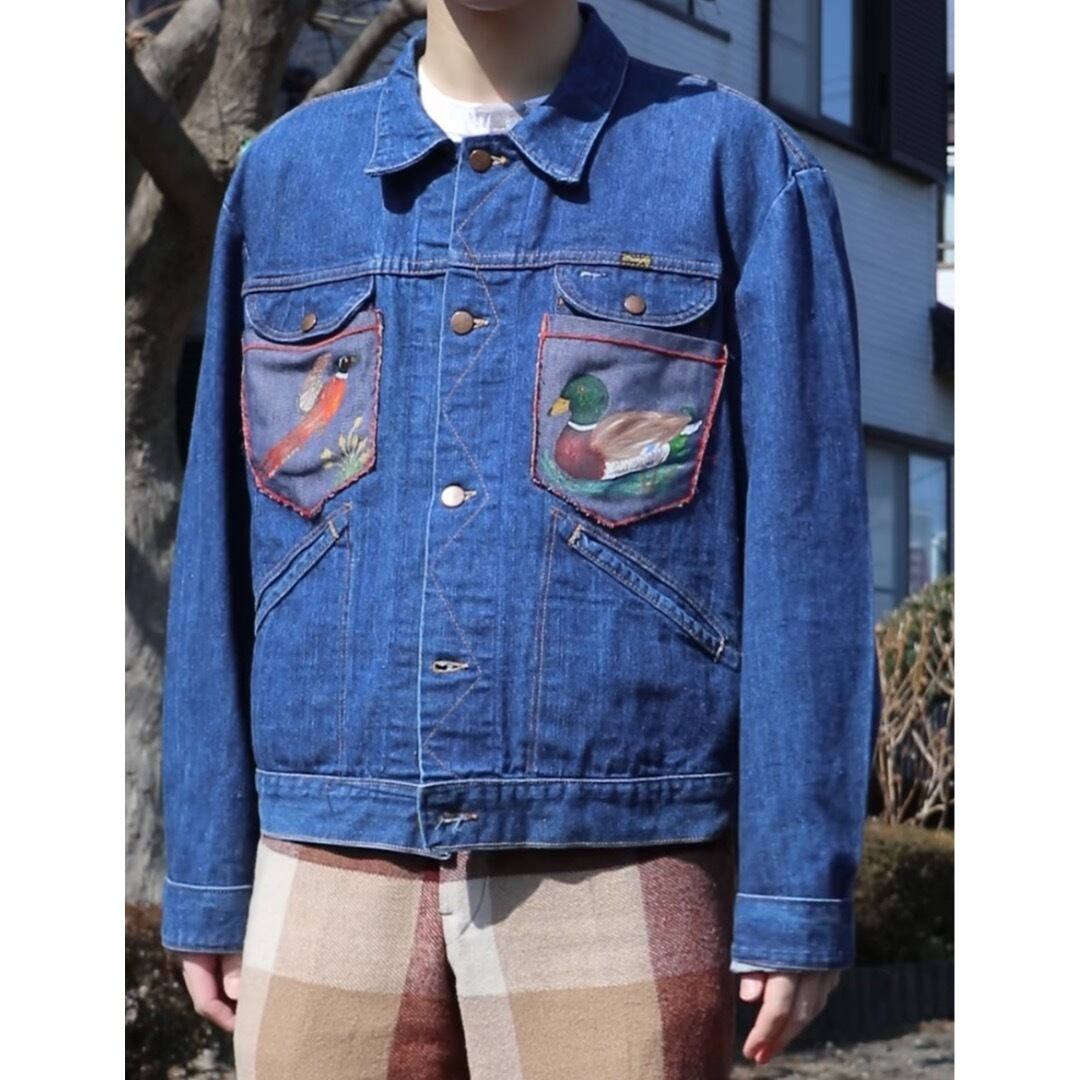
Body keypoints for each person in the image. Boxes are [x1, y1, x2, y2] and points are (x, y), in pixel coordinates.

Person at [158, 1, 880, 1076]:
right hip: (324, 846)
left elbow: (806, 550)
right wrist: (209, 870)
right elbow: (222, 538)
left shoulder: (732, 166)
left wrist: (794, 889)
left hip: (623, 846)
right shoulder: (287, 177)